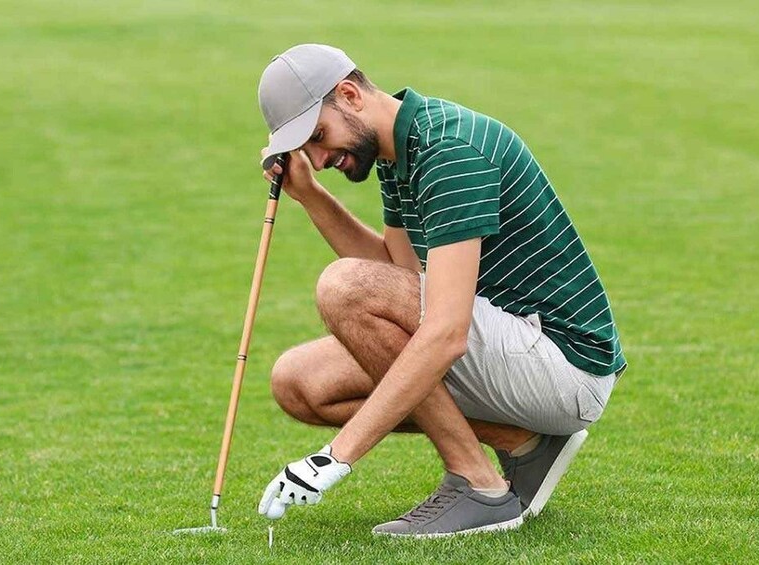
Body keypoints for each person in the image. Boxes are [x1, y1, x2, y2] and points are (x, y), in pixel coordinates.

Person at [255, 44, 626, 538]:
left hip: (565, 369)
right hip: (514, 350)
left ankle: (479, 487)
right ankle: (523, 443)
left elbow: (445, 330)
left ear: (349, 94)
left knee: (342, 285)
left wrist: (336, 457)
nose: (320, 160)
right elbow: (396, 273)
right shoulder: (398, 153)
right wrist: (310, 196)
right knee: (300, 381)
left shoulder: (449, 150)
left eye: (318, 137)